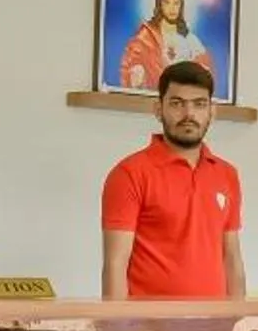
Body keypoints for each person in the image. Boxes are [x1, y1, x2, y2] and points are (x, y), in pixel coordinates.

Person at [100, 59, 245, 299]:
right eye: (177, 103)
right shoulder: (129, 174)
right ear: (159, 109)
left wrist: (239, 323)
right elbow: (115, 265)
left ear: (212, 111)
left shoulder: (227, 175)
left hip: (214, 330)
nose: (189, 114)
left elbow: (232, 258)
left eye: (199, 104)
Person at [115, 0, 216, 94]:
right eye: (166, 2)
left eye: (176, 3)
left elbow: (205, 73)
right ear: (159, 5)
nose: (172, 8)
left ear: (181, 6)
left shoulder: (190, 39)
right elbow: (130, 64)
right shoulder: (147, 36)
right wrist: (137, 72)